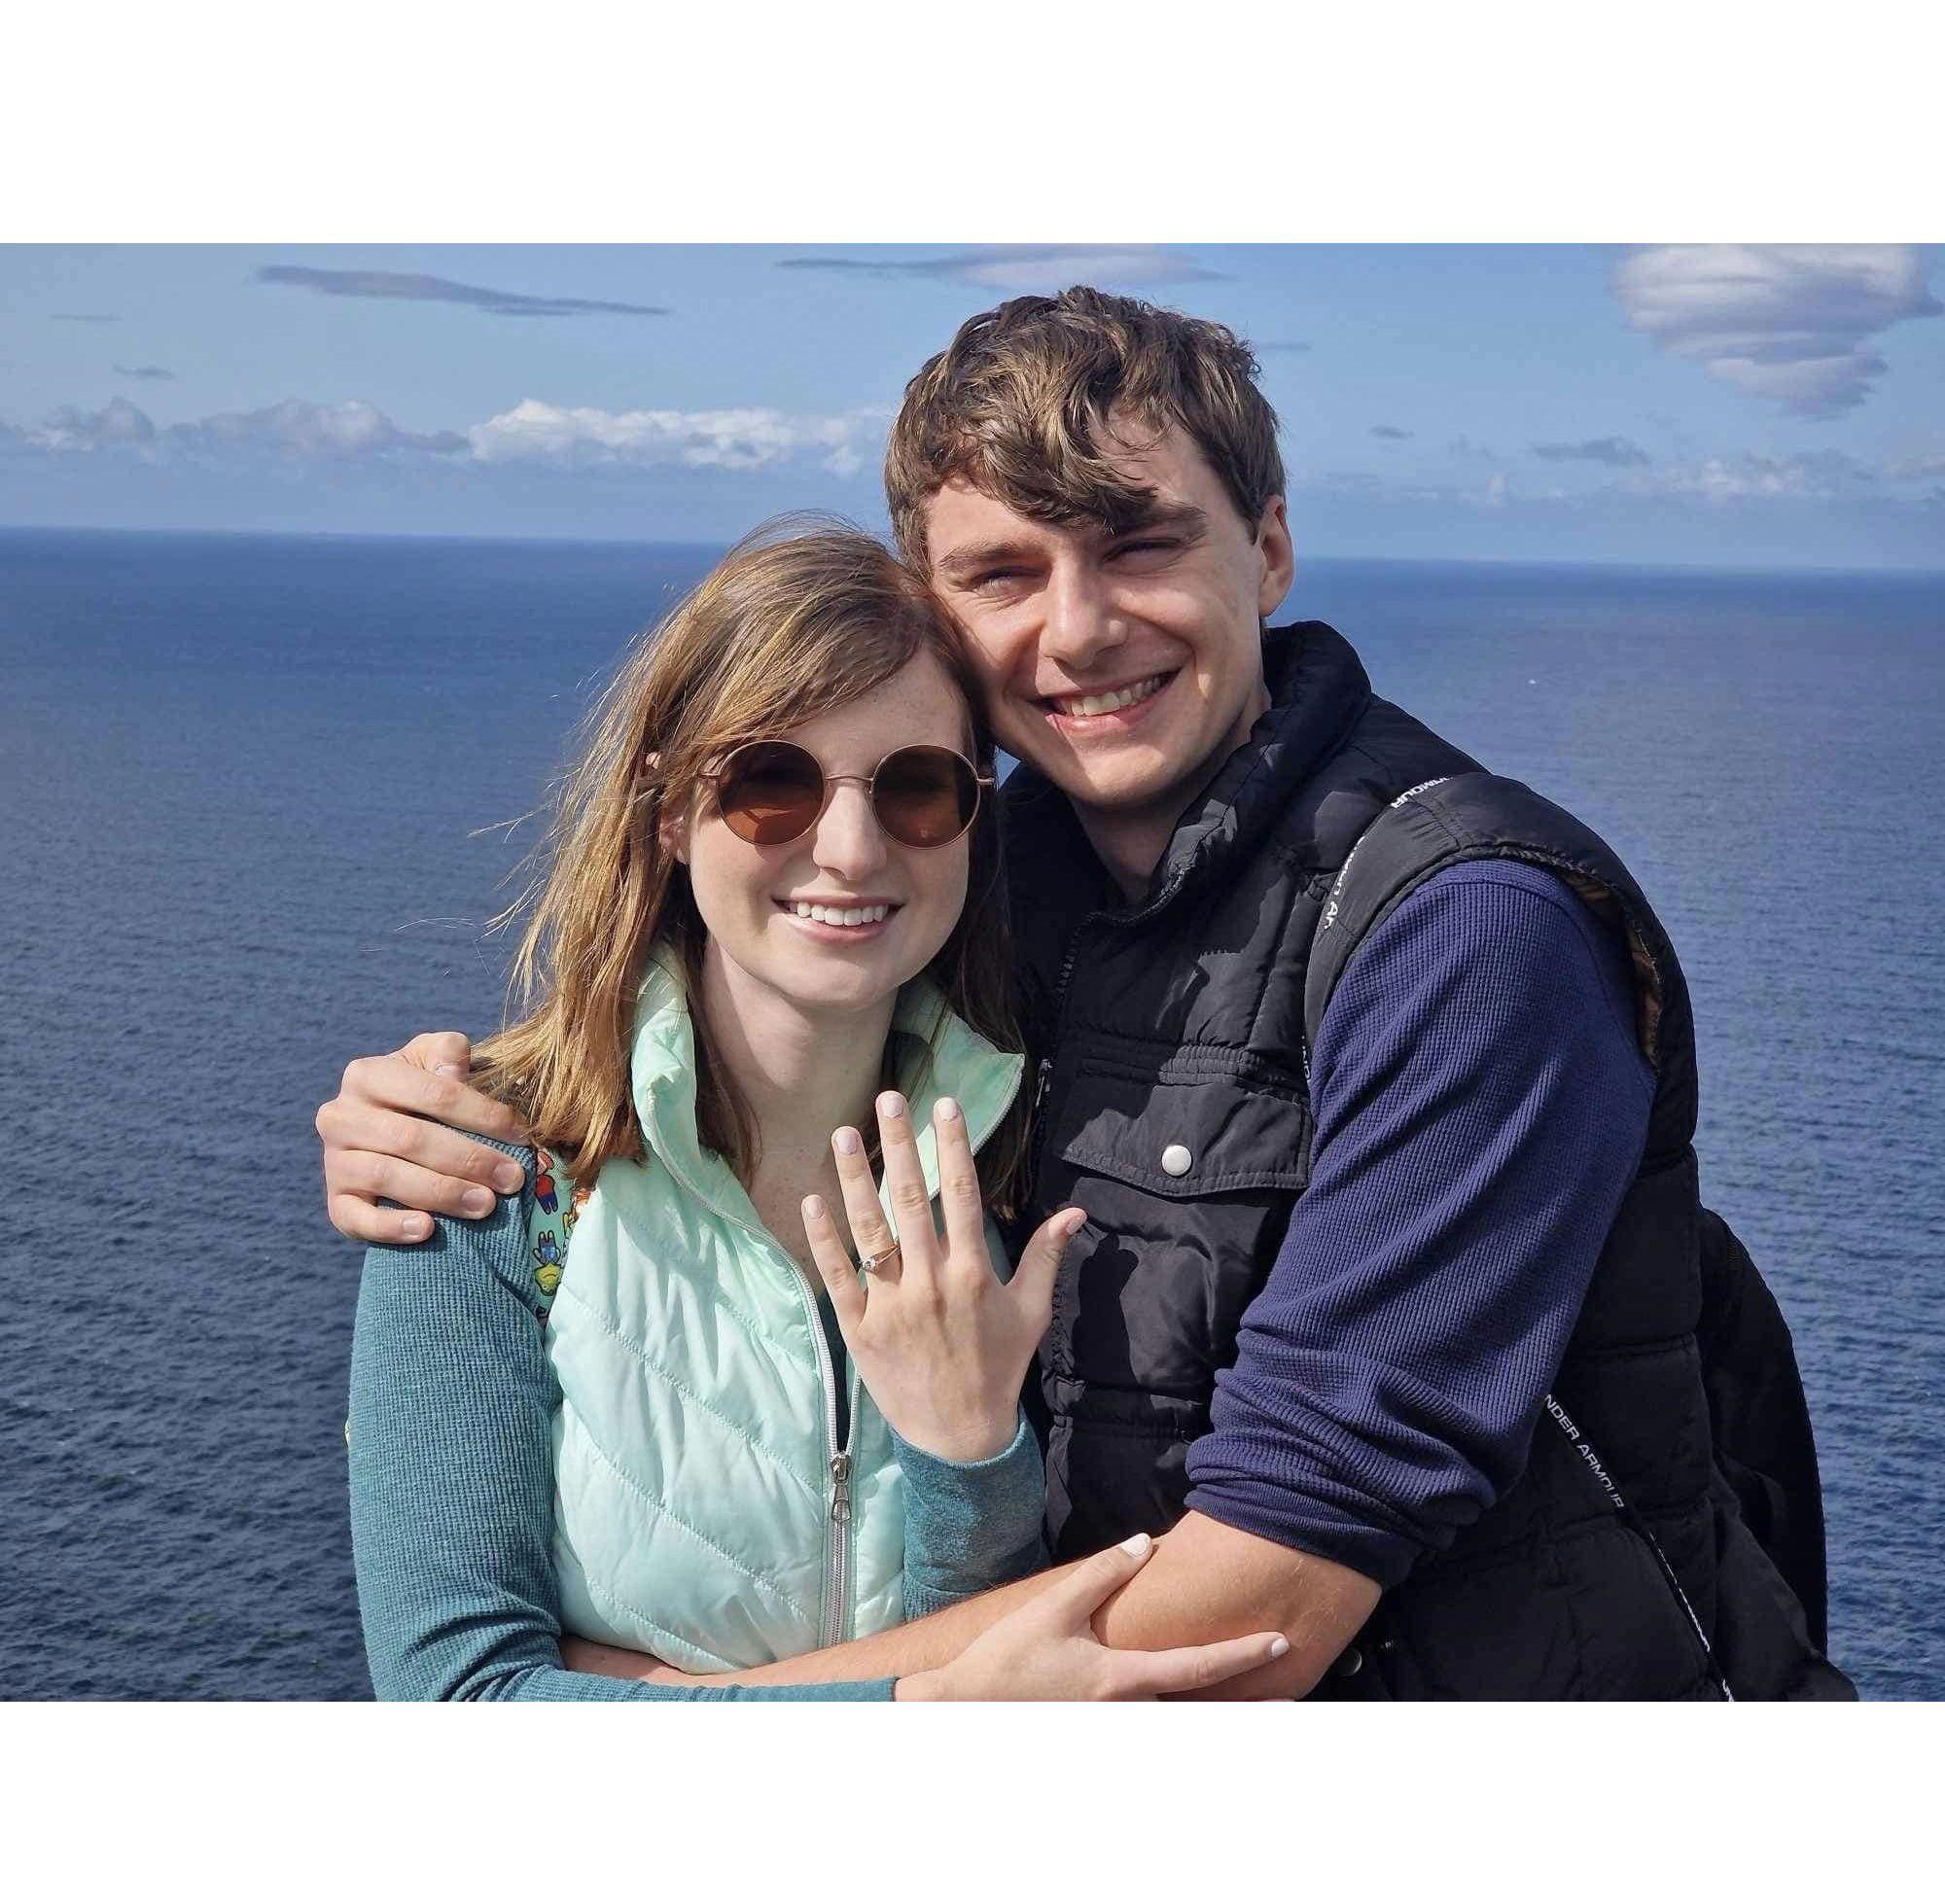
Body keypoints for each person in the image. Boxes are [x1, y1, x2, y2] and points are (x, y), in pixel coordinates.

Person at [324, 289, 1852, 1700]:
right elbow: (760, 925)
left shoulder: (1462, 930)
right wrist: (446, 1112)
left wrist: (699, 1726)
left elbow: (1266, 1600)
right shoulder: (995, 883)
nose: (1076, 627)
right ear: (933, 611)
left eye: (1140, 544)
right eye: (1002, 571)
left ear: (1267, 549)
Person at [346, 520, 1292, 1701]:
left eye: (915, 788)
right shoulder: (493, 1180)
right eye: (770, 783)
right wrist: (914, 1713)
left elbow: (999, 1643)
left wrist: (968, 1452)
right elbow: (450, 1697)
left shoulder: (1026, 1158)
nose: (847, 849)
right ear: (666, 810)